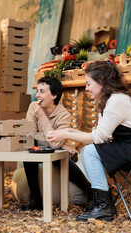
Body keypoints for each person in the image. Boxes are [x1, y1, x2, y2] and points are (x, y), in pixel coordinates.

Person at [46, 61, 131, 221]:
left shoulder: (117, 100)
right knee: (90, 150)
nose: (86, 88)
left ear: (102, 82)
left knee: (89, 151)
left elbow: (98, 138)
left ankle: (103, 207)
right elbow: (100, 135)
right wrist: (66, 132)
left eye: (89, 84)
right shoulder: (109, 101)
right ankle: (102, 205)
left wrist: (65, 135)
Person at [21, 76, 92, 211]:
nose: (37, 95)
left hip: (65, 155)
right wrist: (57, 143)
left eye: (42, 91)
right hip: (45, 150)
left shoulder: (64, 115)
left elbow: (54, 145)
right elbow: (28, 135)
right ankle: (36, 198)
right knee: (30, 151)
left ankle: (89, 190)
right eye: (37, 91)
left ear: (54, 95)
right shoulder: (33, 107)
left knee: (59, 154)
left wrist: (42, 117)